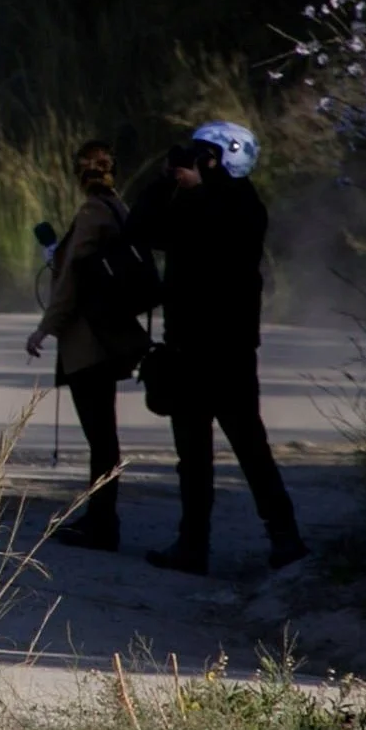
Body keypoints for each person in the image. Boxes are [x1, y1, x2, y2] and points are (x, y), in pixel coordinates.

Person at [129, 119, 305, 575]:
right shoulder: (197, 201)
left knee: (248, 447)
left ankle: (282, 537)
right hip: (192, 350)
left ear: (225, 160)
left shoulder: (240, 208)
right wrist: (166, 179)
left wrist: (191, 187)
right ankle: (194, 545)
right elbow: (141, 230)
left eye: (202, 156)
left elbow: (208, 224)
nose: (194, 163)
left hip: (224, 353)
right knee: (197, 457)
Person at [27, 139, 151, 549]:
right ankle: (101, 516)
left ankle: (102, 521)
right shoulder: (119, 208)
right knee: (105, 434)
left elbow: (70, 281)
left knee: (100, 435)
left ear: (79, 173)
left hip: (89, 338)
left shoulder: (91, 212)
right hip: (112, 333)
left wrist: (46, 327)